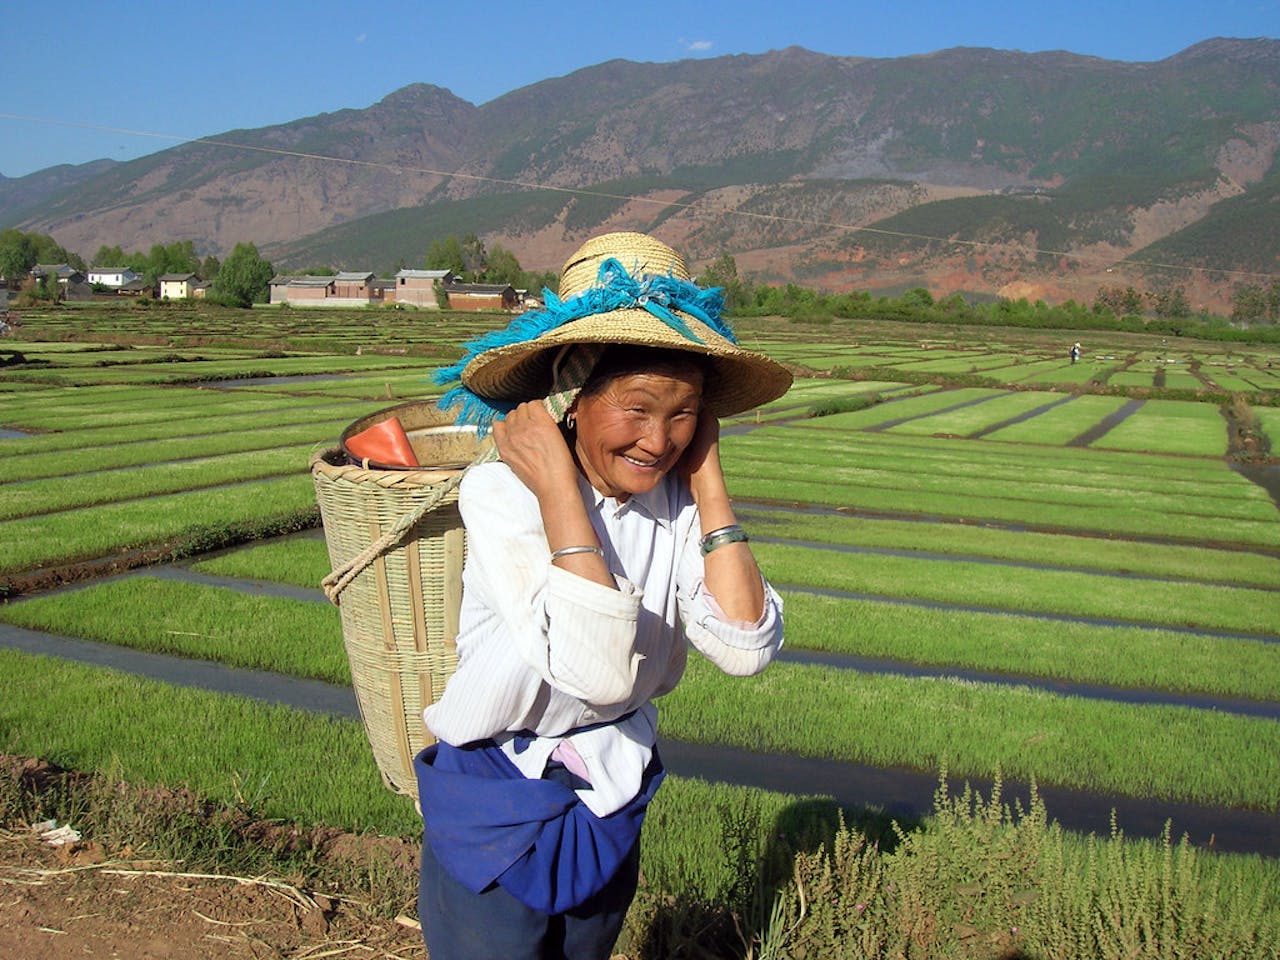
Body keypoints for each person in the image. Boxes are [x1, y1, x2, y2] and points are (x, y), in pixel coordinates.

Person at [414, 232, 793, 959]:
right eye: (638, 408)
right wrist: (560, 488)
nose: (660, 440)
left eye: (685, 413)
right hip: (498, 787)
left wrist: (709, 479)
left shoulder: (678, 503)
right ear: (571, 397)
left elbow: (745, 643)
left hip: (611, 785)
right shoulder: (502, 494)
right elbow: (596, 670)